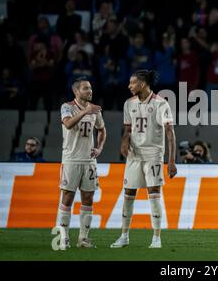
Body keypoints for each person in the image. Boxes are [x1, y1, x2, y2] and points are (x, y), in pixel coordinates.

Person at [110, 70, 177, 249]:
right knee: (128, 194)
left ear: (142, 84)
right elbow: (127, 129)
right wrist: (124, 141)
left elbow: (170, 133)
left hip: (153, 154)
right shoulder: (128, 103)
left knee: (153, 194)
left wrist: (171, 160)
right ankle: (124, 236)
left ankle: (156, 238)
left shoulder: (161, 103)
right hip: (134, 154)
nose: (129, 85)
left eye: (132, 83)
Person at [57, 77, 107, 250]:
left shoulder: (95, 111)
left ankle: (83, 239)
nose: (90, 91)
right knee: (68, 197)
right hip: (71, 160)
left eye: (90, 88)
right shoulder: (67, 107)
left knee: (88, 198)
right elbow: (69, 124)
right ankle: (63, 238)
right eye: (85, 88)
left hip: (89, 161)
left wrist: (99, 148)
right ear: (76, 91)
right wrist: (86, 111)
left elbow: (102, 129)